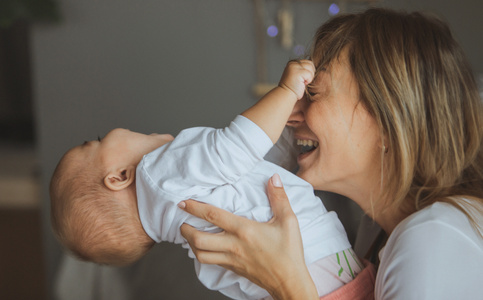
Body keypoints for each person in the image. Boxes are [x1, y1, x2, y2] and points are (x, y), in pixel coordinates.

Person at [178, 8, 483, 300]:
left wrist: (285, 282)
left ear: (390, 121)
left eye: (313, 93)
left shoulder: (432, 241)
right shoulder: (376, 231)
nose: (290, 115)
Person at [50, 61, 363, 299]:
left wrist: (286, 125)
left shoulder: (193, 238)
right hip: (315, 257)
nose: (111, 132)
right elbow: (236, 147)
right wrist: (284, 93)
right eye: (98, 141)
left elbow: (257, 168)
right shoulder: (157, 172)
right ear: (119, 177)